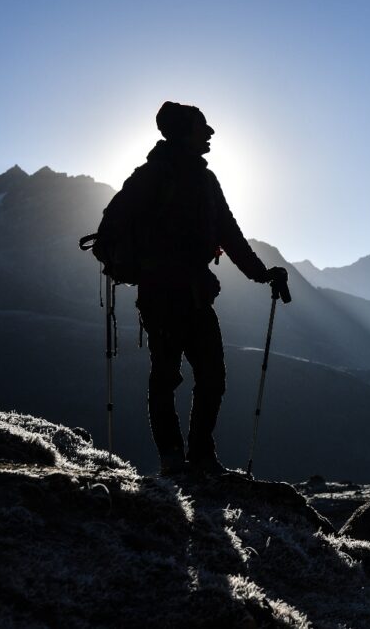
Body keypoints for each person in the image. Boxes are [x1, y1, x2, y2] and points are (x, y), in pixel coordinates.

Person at [100, 101, 288, 475]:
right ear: (182, 133)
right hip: (168, 292)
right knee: (179, 374)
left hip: (187, 291)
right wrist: (258, 272)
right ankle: (180, 458)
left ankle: (195, 456)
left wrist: (261, 273)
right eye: (202, 127)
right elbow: (229, 235)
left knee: (203, 375)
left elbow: (229, 233)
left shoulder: (197, 179)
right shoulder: (157, 177)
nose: (210, 133)